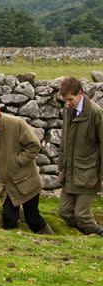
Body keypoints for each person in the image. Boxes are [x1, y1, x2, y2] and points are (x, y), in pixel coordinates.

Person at [0, 98, 52, 234]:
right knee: (8, 218)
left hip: (26, 180)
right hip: (6, 184)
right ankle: (12, 250)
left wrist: (17, 162)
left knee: (33, 219)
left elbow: (34, 145)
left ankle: (53, 243)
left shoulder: (16, 124)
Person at [57, 77, 103, 236]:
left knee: (82, 215)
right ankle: (90, 233)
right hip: (69, 172)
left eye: (71, 99)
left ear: (81, 93)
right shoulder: (67, 110)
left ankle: (98, 234)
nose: (68, 103)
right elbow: (64, 140)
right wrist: (61, 168)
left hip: (88, 172)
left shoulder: (96, 112)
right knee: (64, 212)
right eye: (65, 100)